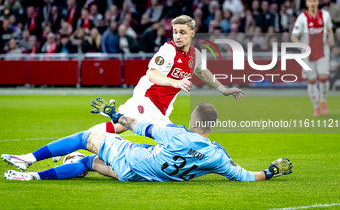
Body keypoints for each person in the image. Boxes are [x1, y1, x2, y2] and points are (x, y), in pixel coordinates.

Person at [1, 97, 293, 182]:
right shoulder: (218, 156)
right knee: (89, 163)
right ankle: (33, 179)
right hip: (136, 176)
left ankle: (27, 160)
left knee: (87, 138)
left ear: (194, 122)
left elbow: (138, 125)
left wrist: (115, 114)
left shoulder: (175, 133)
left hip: (133, 159)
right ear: (211, 127)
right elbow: (244, 176)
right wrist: (269, 171)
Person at [89, 15, 245, 135]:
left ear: (192, 33)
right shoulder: (168, 50)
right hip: (148, 96)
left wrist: (223, 90)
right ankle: (82, 141)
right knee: (121, 126)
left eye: (182, 32)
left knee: (132, 127)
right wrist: (175, 82)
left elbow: (202, 71)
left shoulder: (195, 54)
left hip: (162, 107)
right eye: (175, 32)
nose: (177, 36)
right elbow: (152, 74)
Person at [291, 0, 335, 116]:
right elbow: (294, 36)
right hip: (308, 54)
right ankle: (315, 106)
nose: (312, 3)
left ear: (318, 2)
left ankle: (323, 101)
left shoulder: (325, 15)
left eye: (314, 1)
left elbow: (329, 29)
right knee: (311, 80)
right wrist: (300, 44)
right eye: (310, 1)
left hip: (323, 52)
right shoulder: (302, 18)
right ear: (307, 3)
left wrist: (331, 37)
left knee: (324, 78)